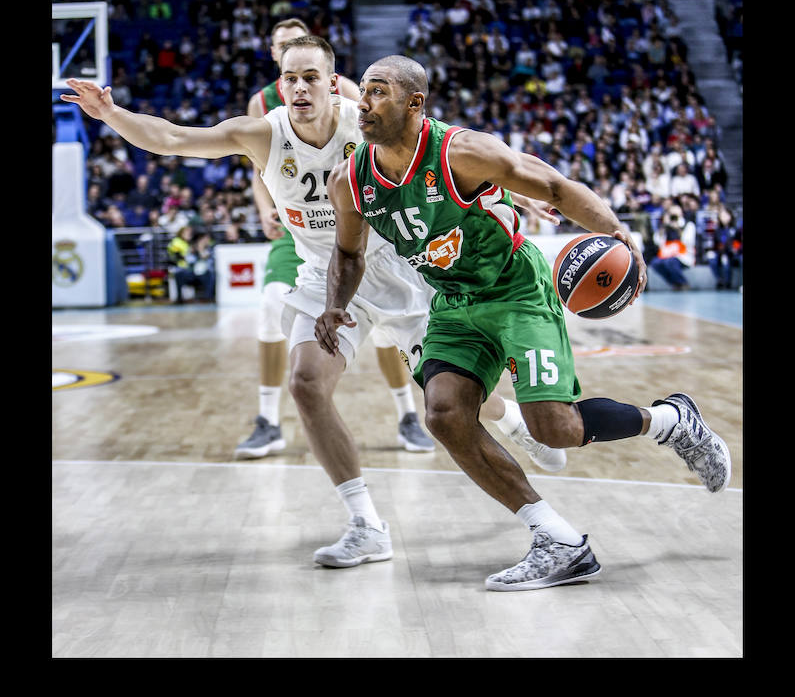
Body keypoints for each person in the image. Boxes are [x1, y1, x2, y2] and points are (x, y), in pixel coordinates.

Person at [61, 38, 559, 573]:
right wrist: (109, 112)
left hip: (403, 271)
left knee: (453, 401)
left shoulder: (367, 123)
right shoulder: (263, 134)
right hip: (330, 277)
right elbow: (175, 138)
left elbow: (454, 152)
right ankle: (366, 523)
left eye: (310, 77)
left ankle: (510, 420)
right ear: (281, 85)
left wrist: (519, 190)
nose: (299, 87)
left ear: (332, 82)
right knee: (306, 382)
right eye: (290, 78)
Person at [314, 54, 732, 591]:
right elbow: (349, 255)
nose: (362, 104)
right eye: (362, 93)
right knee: (443, 415)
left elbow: (554, 187)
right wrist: (333, 305)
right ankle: (557, 540)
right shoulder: (350, 179)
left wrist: (618, 232)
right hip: (452, 302)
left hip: (515, 291)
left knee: (554, 428)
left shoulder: (462, 151)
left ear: (414, 103)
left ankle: (672, 422)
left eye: (377, 93)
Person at [238, 18, 435, 458]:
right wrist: (263, 209)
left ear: (325, 70)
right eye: (285, 50)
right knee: (271, 308)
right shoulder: (262, 104)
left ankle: (406, 413)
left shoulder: (345, 92)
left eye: (305, 57)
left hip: (358, 222)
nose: (300, 77)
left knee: (387, 329)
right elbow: (256, 167)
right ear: (276, 57)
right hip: (298, 227)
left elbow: (377, 138)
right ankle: (269, 420)